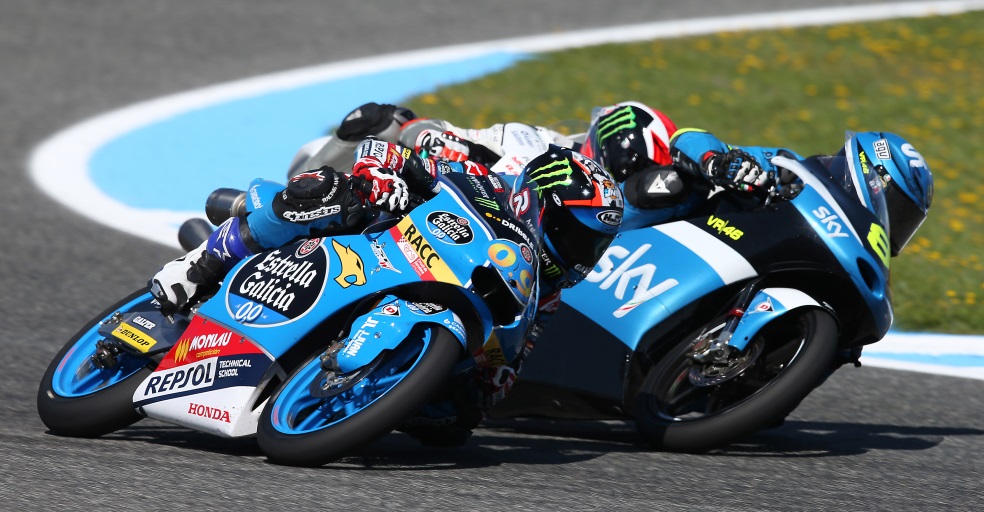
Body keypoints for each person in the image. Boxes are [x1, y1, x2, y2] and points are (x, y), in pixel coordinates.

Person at [151, 136, 625, 446]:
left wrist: (493, 373)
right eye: (575, 233)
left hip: (437, 305)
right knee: (330, 190)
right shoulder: (483, 181)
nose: (581, 251)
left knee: (455, 424)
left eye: (594, 245)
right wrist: (384, 177)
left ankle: (352, 391)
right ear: (537, 201)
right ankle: (203, 263)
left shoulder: (545, 293)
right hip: (365, 245)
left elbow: (511, 367)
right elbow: (384, 151)